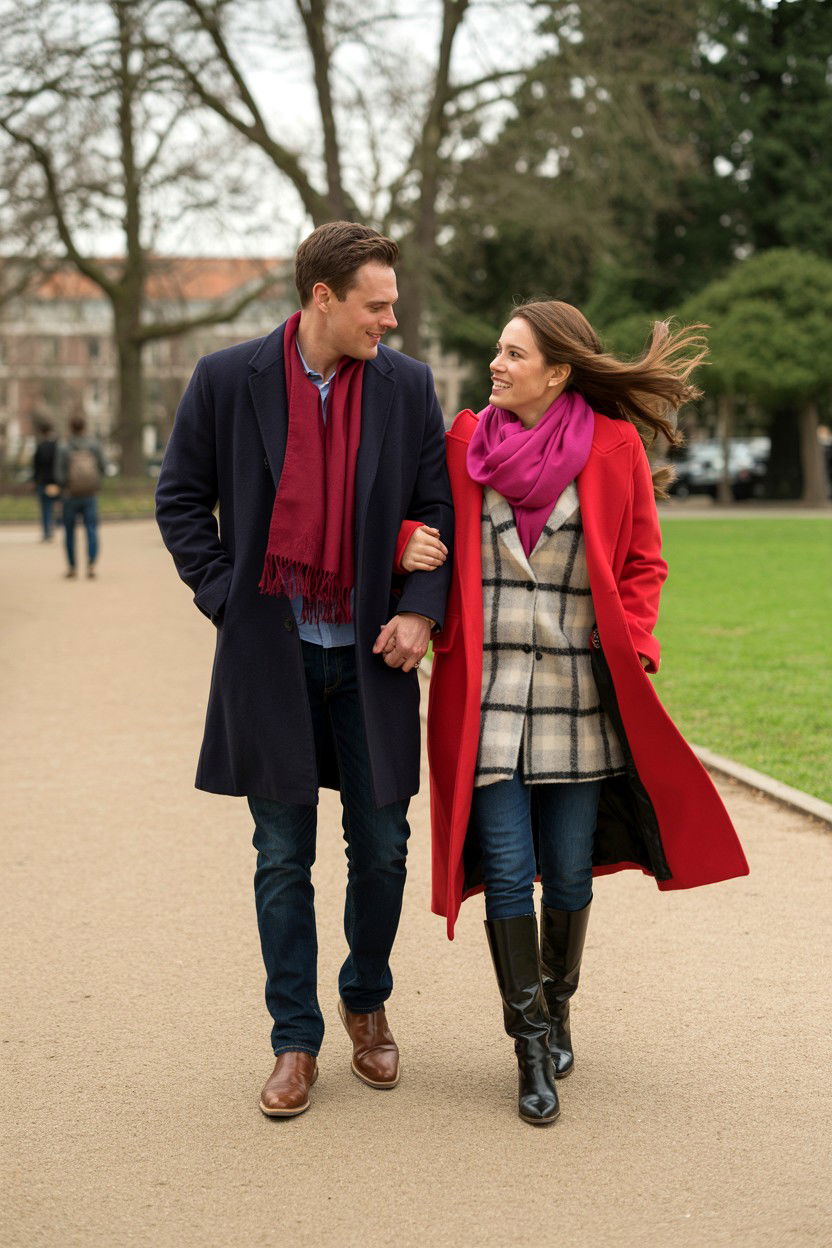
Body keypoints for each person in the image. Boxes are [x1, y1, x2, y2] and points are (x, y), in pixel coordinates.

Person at [423, 301, 749, 1126]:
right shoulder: (461, 445)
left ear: (557, 371)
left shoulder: (612, 450)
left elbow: (644, 559)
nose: (493, 365)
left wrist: (636, 643)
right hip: (487, 700)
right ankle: (529, 1047)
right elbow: (421, 523)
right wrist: (404, 545)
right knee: (504, 870)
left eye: (511, 354)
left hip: (579, 700)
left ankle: (559, 1005)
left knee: (566, 873)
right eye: (496, 350)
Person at [155, 221, 453, 1118]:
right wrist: (228, 599)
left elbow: (435, 509)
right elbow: (180, 501)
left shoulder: (408, 389)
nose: (389, 322)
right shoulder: (225, 378)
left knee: (386, 847)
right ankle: (294, 1038)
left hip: (373, 658)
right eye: (376, 305)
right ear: (322, 297)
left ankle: (366, 1000)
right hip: (272, 656)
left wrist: (418, 610)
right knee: (282, 857)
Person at [54, 415, 106, 579]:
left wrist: (65, 486)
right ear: (84, 427)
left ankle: (72, 567)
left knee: (69, 531)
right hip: (90, 494)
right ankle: (91, 564)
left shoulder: (64, 446)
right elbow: (103, 466)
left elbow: (59, 473)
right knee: (91, 529)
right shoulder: (93, 445)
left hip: (70, 495)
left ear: (70, 428)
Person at [31, 421, 59, 541]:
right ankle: (53, 527)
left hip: (43, 481)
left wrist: (35, 481)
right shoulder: (57, 446)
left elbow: (35, 466)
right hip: (54, 481)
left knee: (45, 507)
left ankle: (47, 531)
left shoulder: (40, 447)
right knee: (55, 505)